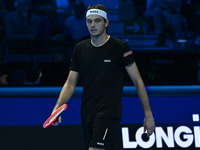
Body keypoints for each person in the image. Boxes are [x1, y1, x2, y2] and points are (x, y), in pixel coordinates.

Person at [51, 4, 155, 150]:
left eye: (97, 21)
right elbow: (70, 83)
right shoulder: (80, 48)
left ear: (106, 22)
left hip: (109, 113)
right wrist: (57, 108)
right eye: (89, 21)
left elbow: (137, 81)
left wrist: (148, 115)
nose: (93, 25)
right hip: (87, 113)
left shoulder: (120, 47)